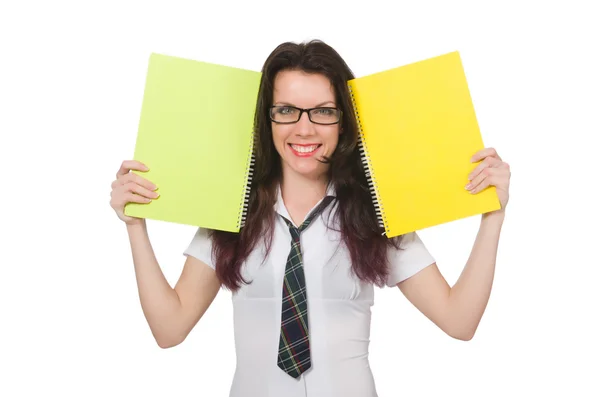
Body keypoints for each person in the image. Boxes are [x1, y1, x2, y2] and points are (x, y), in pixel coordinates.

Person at [109, 40, 511, 397]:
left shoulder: (376, 212)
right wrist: (136, 226)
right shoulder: (230, 210)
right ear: (266, 120)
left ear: (345, 120)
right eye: (286, 110)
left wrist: (492, 216)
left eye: (322, 112)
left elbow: (460, 321)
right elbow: (169, 329)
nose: (304, 128)